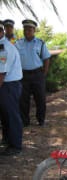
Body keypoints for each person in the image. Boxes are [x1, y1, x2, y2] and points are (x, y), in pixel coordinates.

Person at [15, 19, 51, 127]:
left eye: (29, 29)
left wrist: (44, 73)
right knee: (23, 99)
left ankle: (41, 120)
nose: (27, 31)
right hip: (23, 75)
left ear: (34, 30)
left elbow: (46, 58)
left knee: (40, 98)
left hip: (37, 74)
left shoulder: (40, 43)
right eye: (25, 29)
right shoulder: (18, 43)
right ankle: (25, 121)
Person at [0, 20, 23, 156]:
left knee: (11, 115)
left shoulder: (4, 47)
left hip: (8, 85)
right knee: (5, 115)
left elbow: (2, 73)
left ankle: (15, 146)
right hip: (6, 85)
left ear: (1, 32)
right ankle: (8, 140)